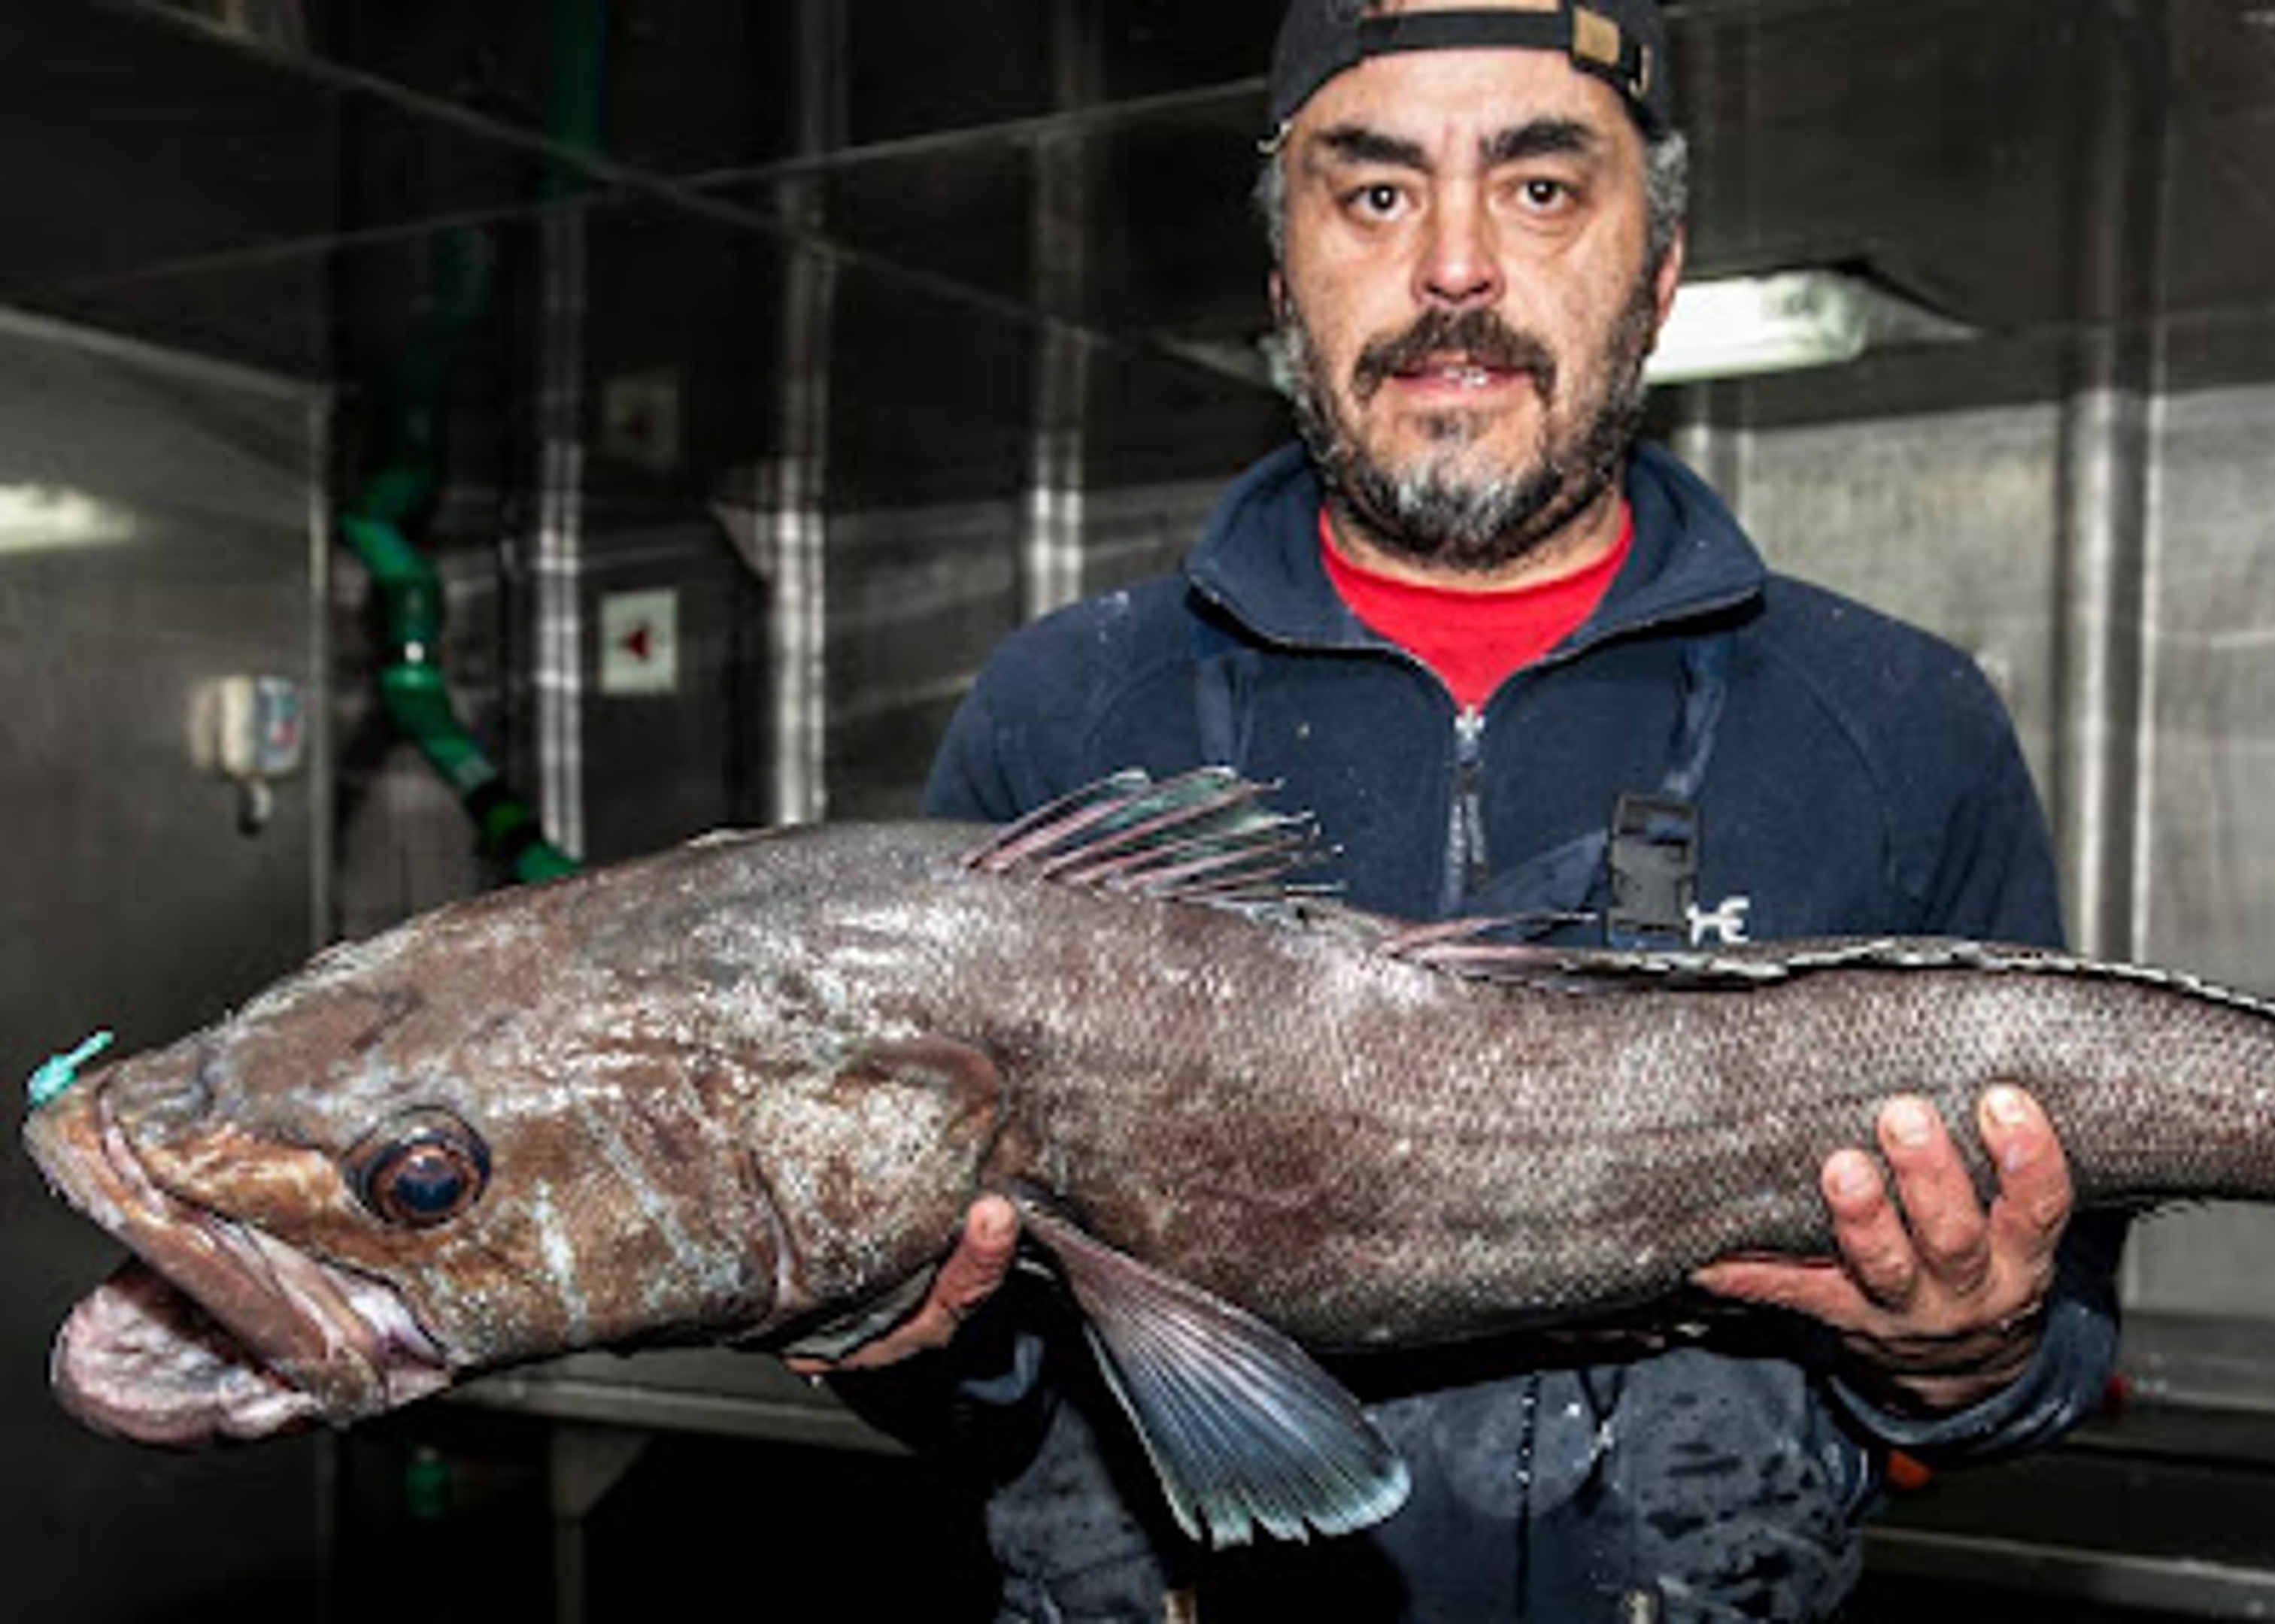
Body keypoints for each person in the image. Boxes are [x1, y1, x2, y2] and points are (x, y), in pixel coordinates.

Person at [809, 2, 2126, 1616]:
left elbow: (2055, 1348)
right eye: (1373, 194)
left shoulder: (1894, 724)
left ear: (1658, 269)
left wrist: (1969, 1350)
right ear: (1283, 277)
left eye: (1541, 189)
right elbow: (979, 1386)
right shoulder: (1065, 714)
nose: (1453, 268)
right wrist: (895, 1330)